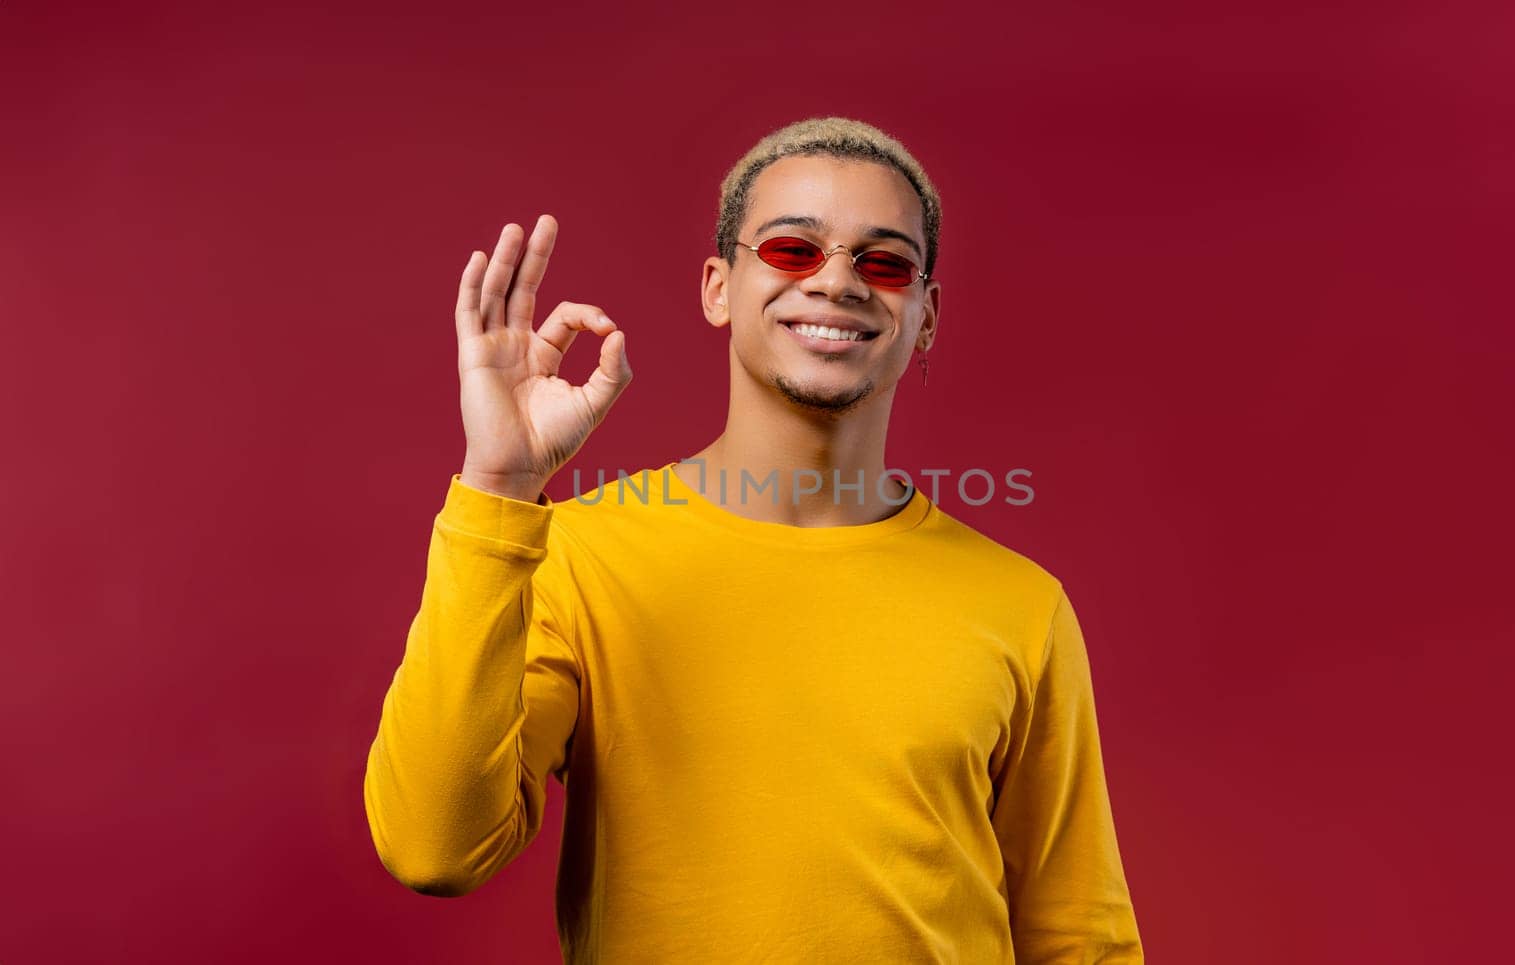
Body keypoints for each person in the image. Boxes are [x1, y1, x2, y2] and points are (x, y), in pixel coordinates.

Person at [363, 116, 1143, 963]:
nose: (837, 281)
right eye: (791, 250)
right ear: (718, 287)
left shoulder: (1020, 606)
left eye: (883, 262)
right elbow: (435, 846)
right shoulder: (578, 558)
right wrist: (499, 487)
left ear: (925, 316)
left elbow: (1079, 937)